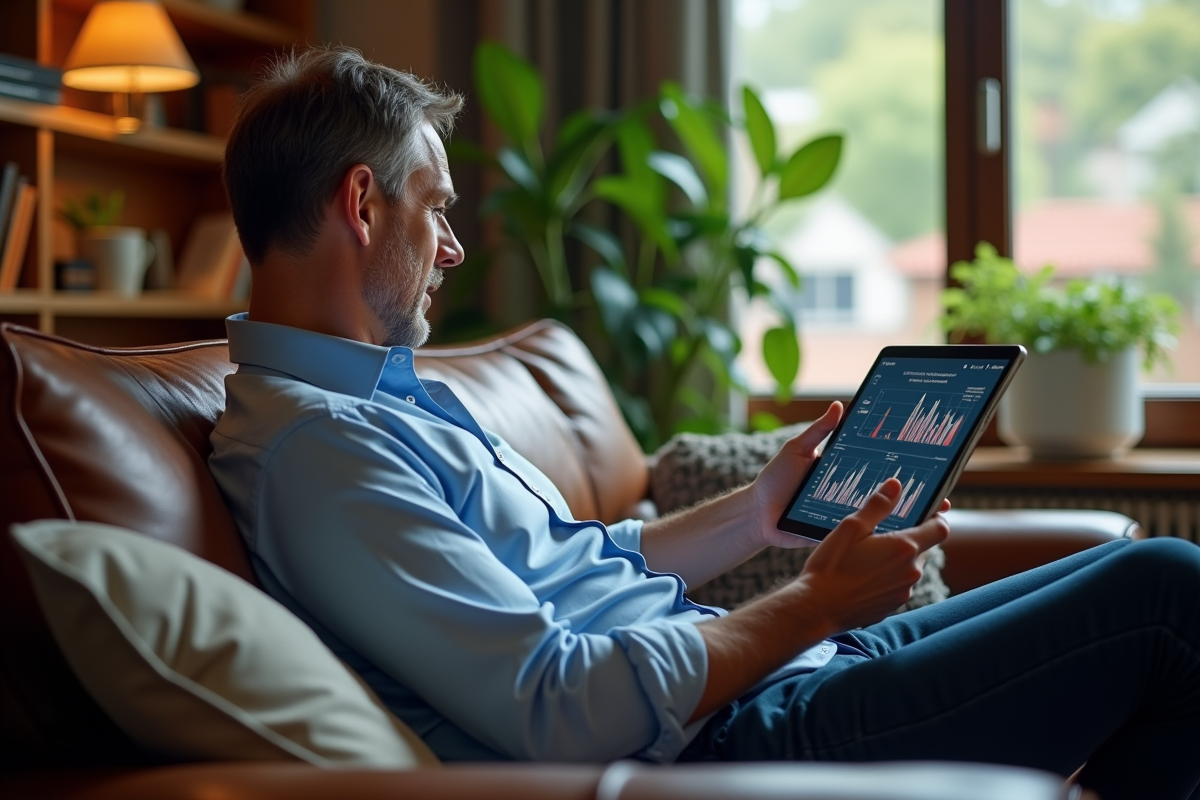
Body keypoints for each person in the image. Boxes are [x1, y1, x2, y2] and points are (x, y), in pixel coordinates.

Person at [208, 45, 1200, 799]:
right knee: (1166, 590)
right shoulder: (315, 450)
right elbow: (556, 705)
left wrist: (755, 514)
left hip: (767, 677)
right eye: (437, 207)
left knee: (1134, 575)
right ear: (363, 205)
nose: (454, 247)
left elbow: (580, 560)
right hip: (738, 736)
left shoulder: (380, 399)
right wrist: (813, 604)